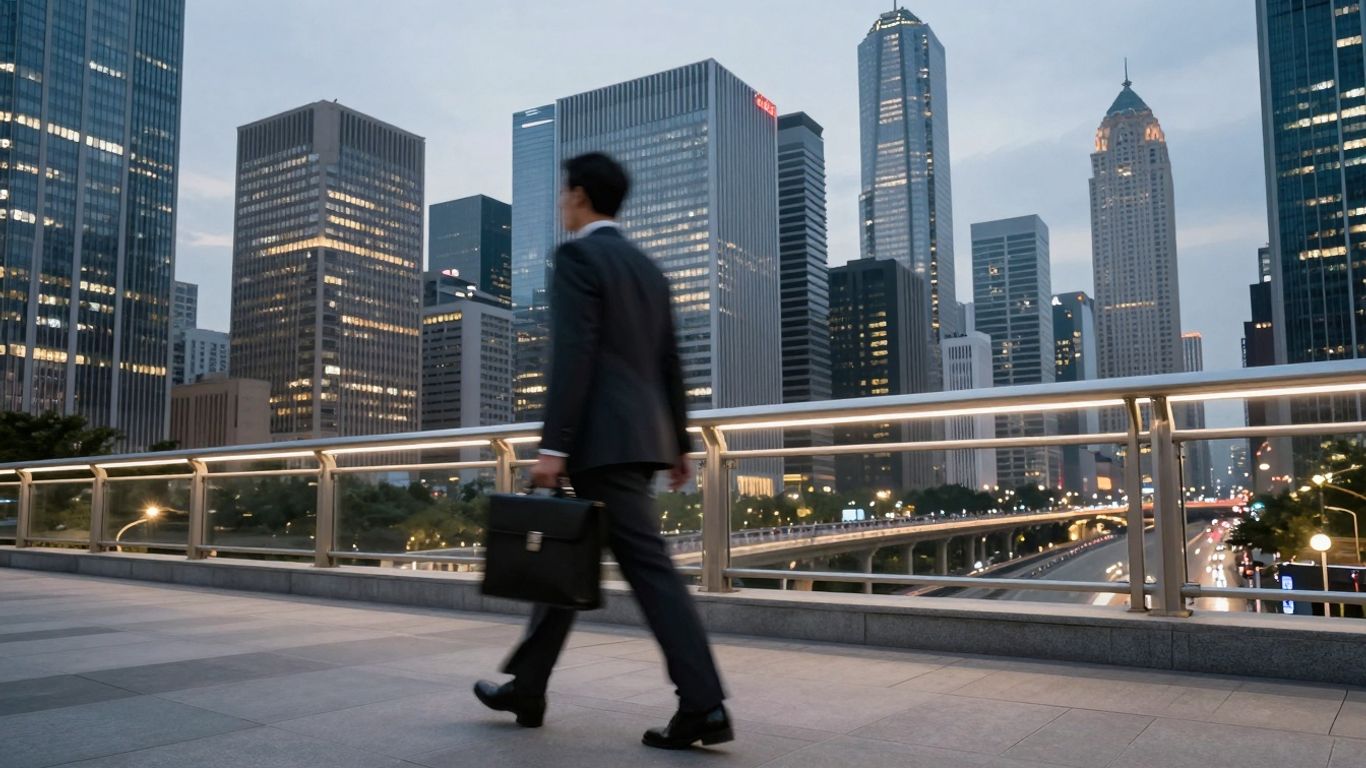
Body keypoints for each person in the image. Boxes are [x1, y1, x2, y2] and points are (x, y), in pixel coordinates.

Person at [474, 152, 731, 750]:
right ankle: (527, 686)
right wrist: (679, 444)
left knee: (651, 574)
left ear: (582, 196)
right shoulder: (647, 267)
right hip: (640, 439)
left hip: (598, 442)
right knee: (568, 556)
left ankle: (704, 704)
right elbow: (670, 362)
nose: (561, 202)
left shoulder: (579, 256)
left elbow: (574, 355)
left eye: (565, 193)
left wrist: (553, 445)